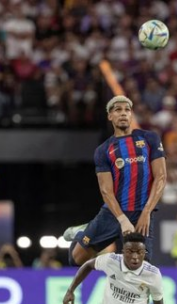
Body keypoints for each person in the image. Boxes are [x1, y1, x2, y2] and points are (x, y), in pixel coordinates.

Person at [63, 95, 167, 266]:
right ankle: (83, 231)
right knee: (75, 259)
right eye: (118, 110)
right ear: (110, 116)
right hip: (112, 214)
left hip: (141, 213)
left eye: (127, 110)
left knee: (140, 266)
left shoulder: (149, 139)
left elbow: (161, 177)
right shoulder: (103, 150)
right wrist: (122, 219)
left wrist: (147, 212)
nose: (124, 113)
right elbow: (106, 191)